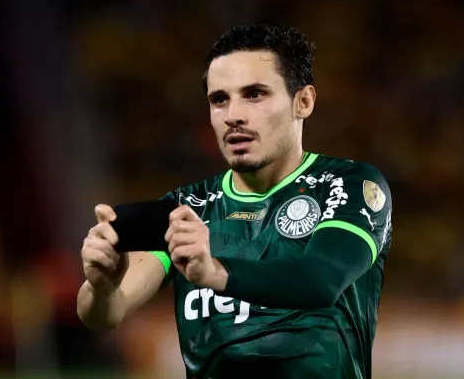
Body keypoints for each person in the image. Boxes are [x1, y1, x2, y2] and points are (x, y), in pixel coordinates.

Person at [77, 23, 393, 379]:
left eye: (255, 94)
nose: (233, 116)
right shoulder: (184, 209)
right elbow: (105, 314)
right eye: (219, 99)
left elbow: (322, 278)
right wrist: (101, 287)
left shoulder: (347, 184)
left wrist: (213, 272)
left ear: (303, 102)